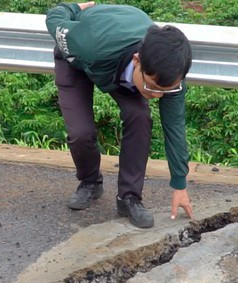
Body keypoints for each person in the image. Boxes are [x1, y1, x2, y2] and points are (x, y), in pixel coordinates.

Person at [46, 1, 194, 228]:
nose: (158, 96)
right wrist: (73, 7)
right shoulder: (88, 43)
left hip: (119, 66)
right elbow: (54, 19)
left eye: (165, 90)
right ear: (137, 61)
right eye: (153, 88)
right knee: (81, 133)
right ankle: (90, 183)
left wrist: (180, 185)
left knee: (140, 117)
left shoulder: (169, 74)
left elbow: (174, 129)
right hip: (82, 57)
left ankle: (129, 198)